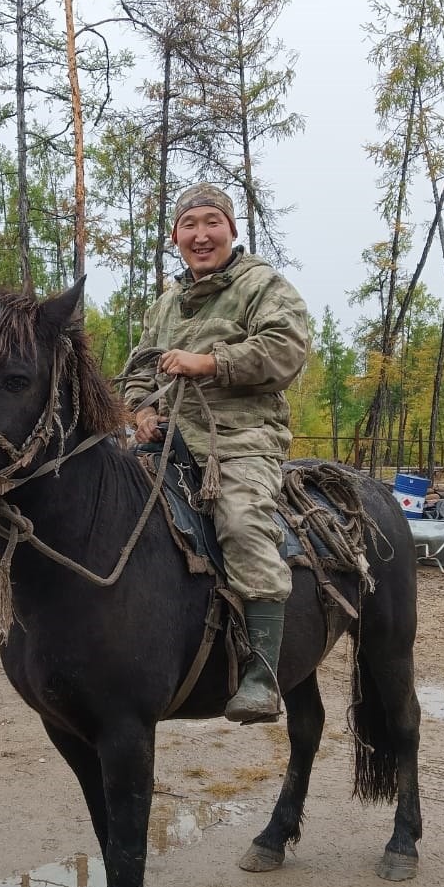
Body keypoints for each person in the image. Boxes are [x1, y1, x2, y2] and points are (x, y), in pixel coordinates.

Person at [123, 183, 310, 723]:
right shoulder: (165, 305)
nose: (200, 235)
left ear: (232, 229)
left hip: (240, 439)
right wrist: (140, 411)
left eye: (212, 223)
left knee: (242, 520)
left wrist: (209, 363)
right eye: (189, 225)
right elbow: (138, 369)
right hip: (166, 441)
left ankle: (262, 673)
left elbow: (285, 351)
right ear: (176, 236)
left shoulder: (264, 287)